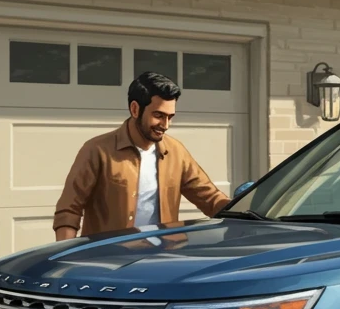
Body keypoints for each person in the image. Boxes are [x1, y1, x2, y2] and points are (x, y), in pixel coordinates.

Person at [53, 72, 231, 240]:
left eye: (170, 117)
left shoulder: (176, 152)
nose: (165, 125)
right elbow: (69, 210)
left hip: (162, 254)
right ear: (135, 109)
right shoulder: (97, 150)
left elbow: (210, 198)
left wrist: (242, 212)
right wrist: (65, 255)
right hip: (110, 256)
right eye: (158, 115)